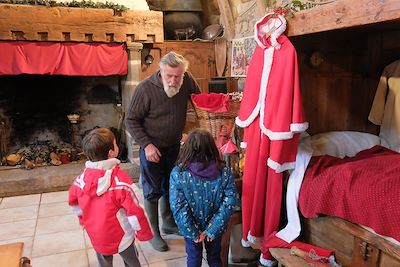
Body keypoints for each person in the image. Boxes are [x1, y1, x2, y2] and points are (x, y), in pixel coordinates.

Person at [125, 51, 201, 251]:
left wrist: (192, 132)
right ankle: (153, 232)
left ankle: (168, 222)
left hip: (175, 146)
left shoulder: (187, 80)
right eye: (169, 76)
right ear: (161, 71)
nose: (174, 80)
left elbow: (201, 101)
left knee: (171, 186)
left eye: (178, 76)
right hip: (152, 148)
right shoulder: (145, 88)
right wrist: (147, 145)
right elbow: (130, 120)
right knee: (152, 191)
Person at [68, 128, 152, 267]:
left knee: (104, 262)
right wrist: (142, 233)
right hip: (121, 236)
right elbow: (135, 211)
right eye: (115, 144)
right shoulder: (121, 181)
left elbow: (74, 204)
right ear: (111, 152)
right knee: (132, 262)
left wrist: (83, 220)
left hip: (96, 234)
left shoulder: (79, 181)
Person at [169, 128, 238, 267]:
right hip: (215, 229)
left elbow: (178, 207)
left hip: (192, 228)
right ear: (212, 148)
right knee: (215, 258)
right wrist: (212, 229)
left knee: (193, 259)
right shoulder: (225, 172)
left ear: (187, 149)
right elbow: (230, 201)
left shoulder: (178, 173)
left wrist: (192, 232)